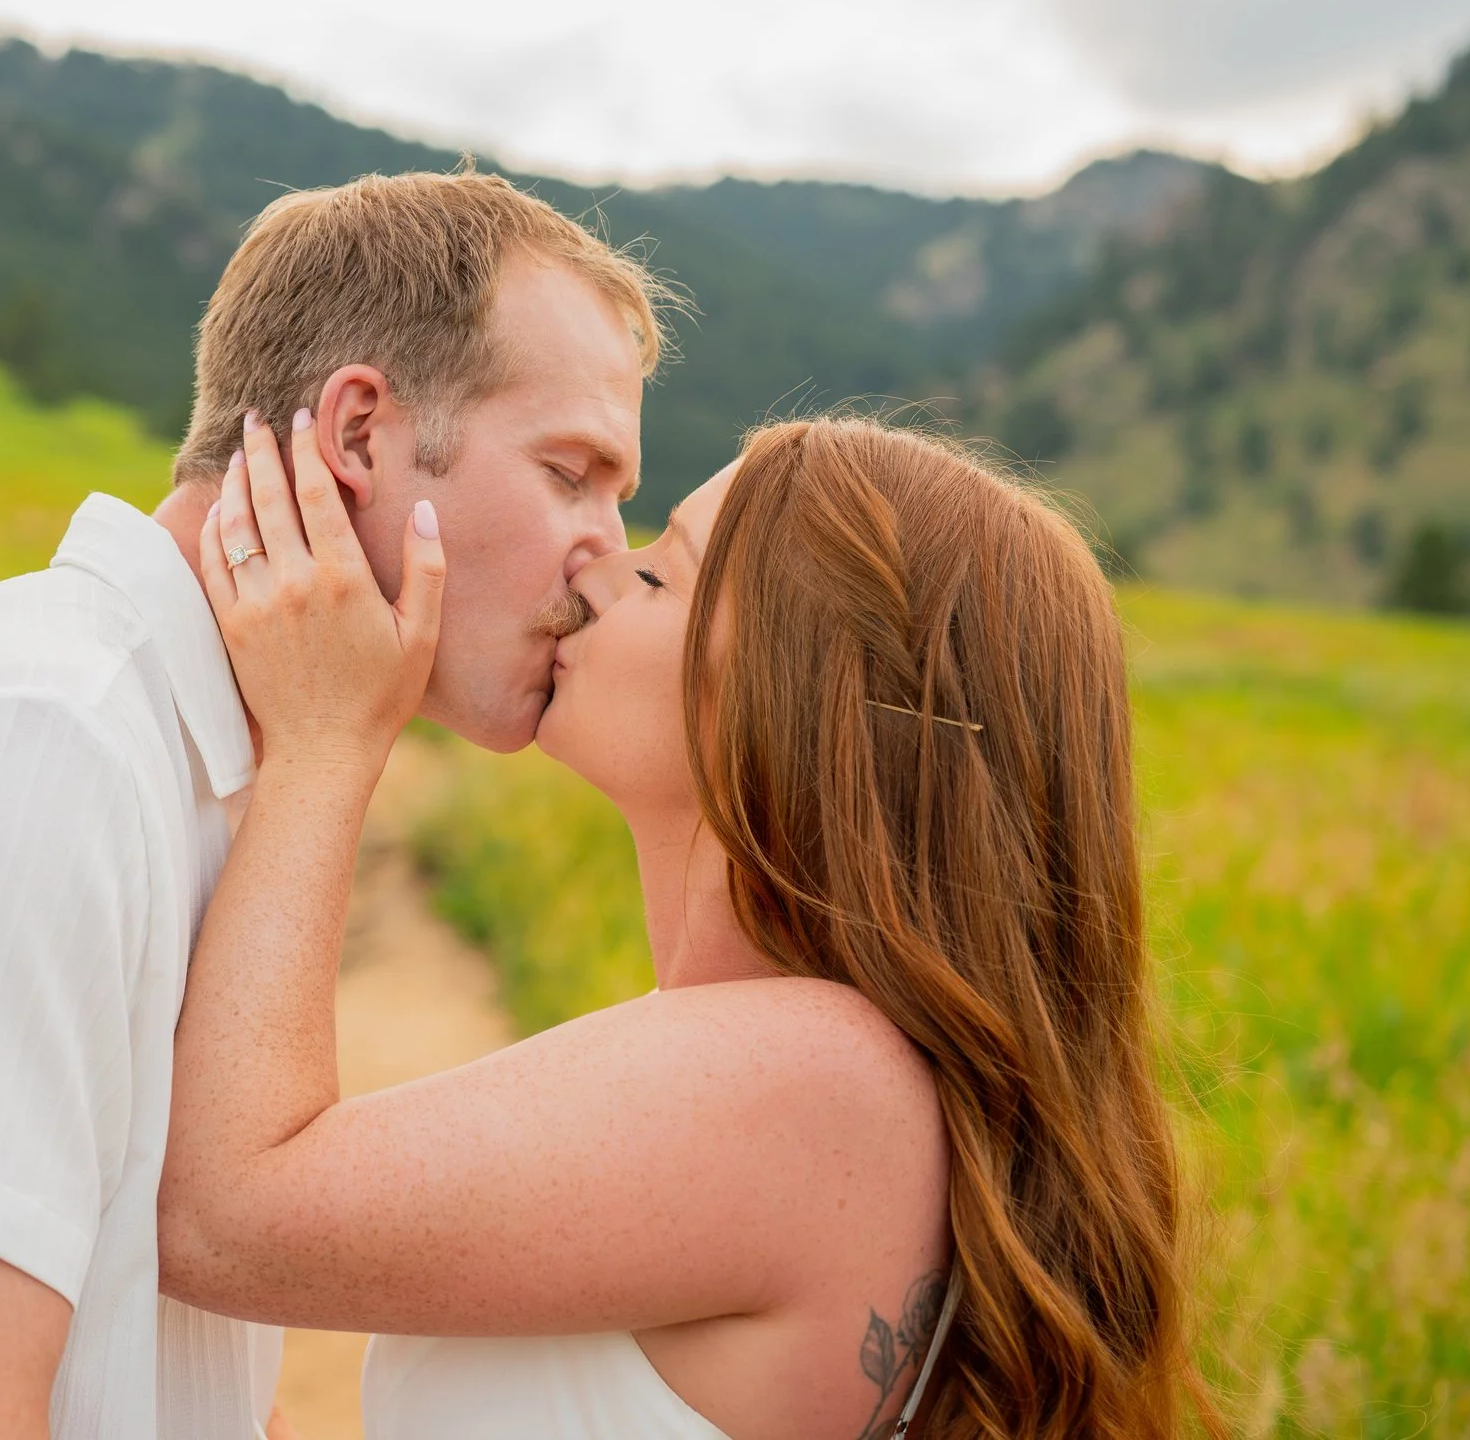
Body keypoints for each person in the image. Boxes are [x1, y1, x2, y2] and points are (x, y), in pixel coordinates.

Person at [0, 168, 670, 1439]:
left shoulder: (211, 776)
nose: (609, 549)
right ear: (360, 436)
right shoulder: (21, 749)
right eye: (571, 471)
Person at [162, 413, 1206, 1440]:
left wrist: (324, 738)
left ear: (791, 701)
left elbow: (221, 1217)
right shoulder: (835, 1081)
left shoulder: (817, 1077)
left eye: (661, 574)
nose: (599, 573)